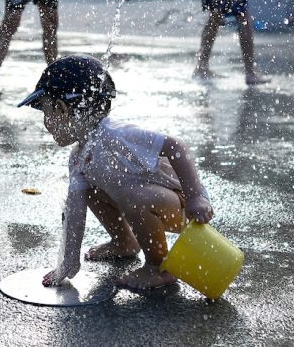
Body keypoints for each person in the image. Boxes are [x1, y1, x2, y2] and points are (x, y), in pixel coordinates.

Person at [18, 54, 215, 291]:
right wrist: (67, 263)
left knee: (132, 194)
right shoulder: (79, 158)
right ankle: (125, 242)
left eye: (46, 113)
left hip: (182, 206)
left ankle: (159, 267)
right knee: (89, 190)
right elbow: (75, 211)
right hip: (148, 203)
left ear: (61, 108)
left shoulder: (116, 135)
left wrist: (196, 197)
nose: (46, 123)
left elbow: (175, 146)